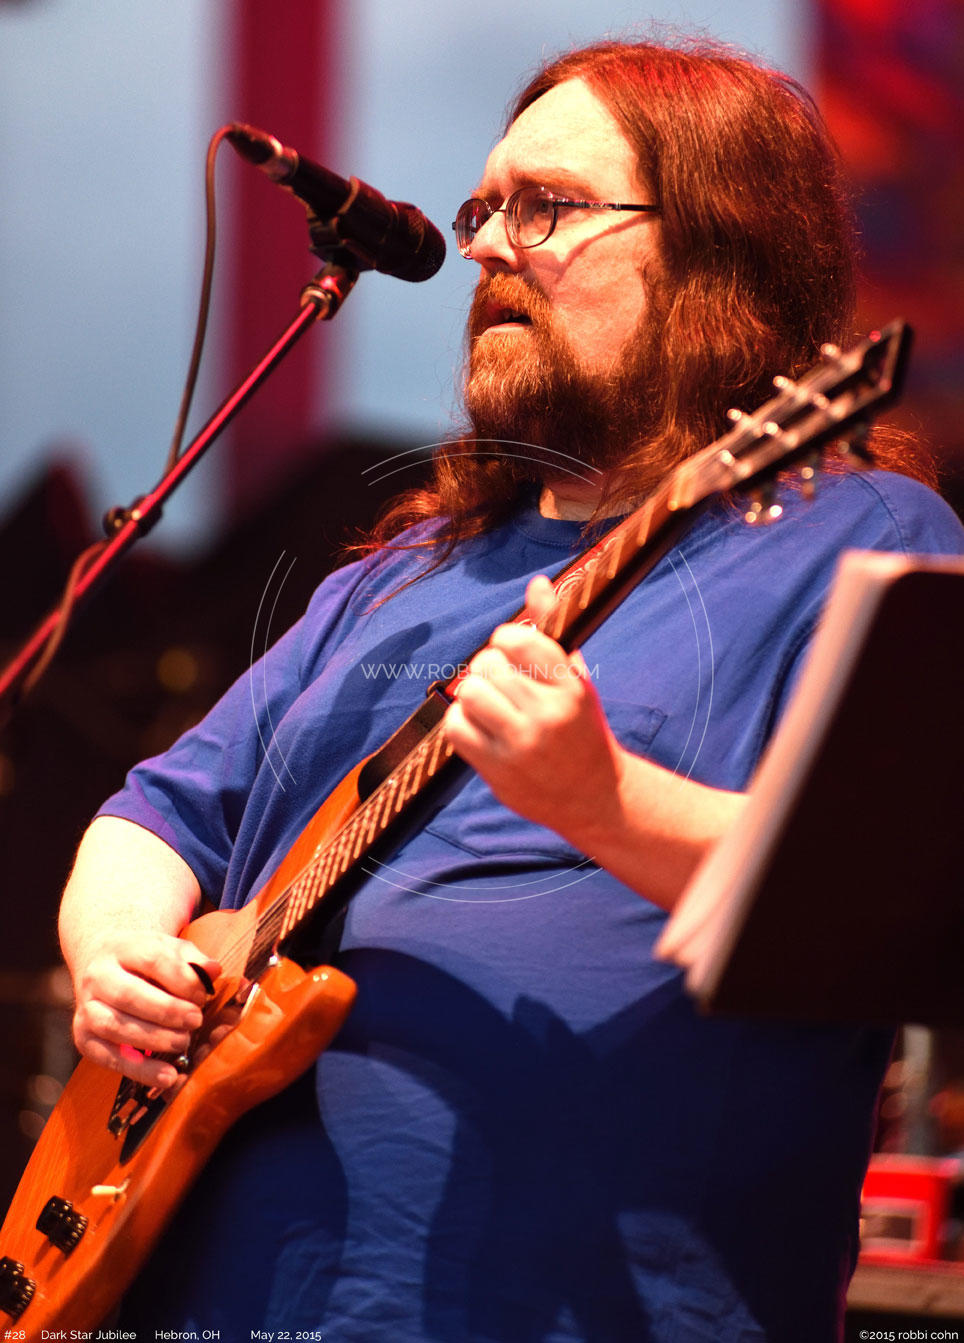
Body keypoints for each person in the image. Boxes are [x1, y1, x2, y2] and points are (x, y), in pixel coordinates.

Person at [59, 38, 964, 1342]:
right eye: (484, 208)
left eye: (546, 207)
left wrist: (605, 801)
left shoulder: (863, 535)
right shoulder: (393, 580)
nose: (485, 246)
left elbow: (902, 905)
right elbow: (155, 814)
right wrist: (114, 955)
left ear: (718, 250)